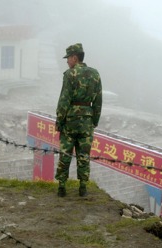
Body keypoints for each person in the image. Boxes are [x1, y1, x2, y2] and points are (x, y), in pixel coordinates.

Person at [55, 43, 102, 197]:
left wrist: (59, 121)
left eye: (68, 58)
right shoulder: (95, 74)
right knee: (84, 155)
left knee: (65, 153)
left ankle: (62, 186)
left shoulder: (70, 74)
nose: (67, 61)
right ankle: (83, 187)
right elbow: (98, 101)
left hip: (70, 121)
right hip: (87, 122)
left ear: (74, 57)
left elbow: (64, 100)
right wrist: (94, 120)